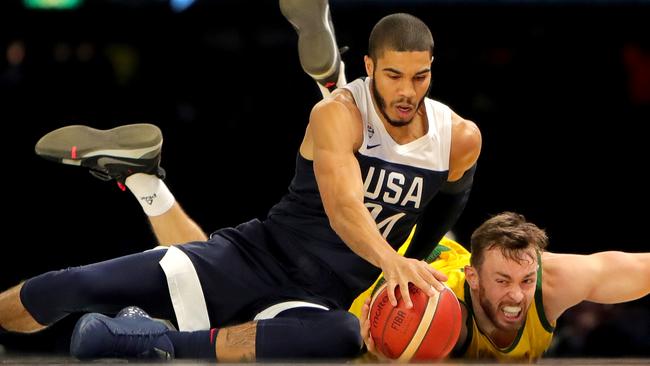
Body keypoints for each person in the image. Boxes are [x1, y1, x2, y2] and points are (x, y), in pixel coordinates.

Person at [0, 2, 481, 362]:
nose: (407, 91)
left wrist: (413, 264)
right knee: (67, 288)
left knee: (342, 335)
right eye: (394, 75)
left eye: (419, 78)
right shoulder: (337, 116)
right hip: (253, 257)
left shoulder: (458, 137)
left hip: (313, 298)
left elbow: (447, 205)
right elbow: (343, 207)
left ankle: (161, 337)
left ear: (432, 71)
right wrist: (391, 261)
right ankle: (149, 311)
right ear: (371, 67)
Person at [357, 211, 650, 361]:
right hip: (361, 275)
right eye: (502, 281)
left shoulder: (550, 281)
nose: (516, 295)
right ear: (473, 278)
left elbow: (637, 270)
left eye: (526, 280)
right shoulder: (424, 320)